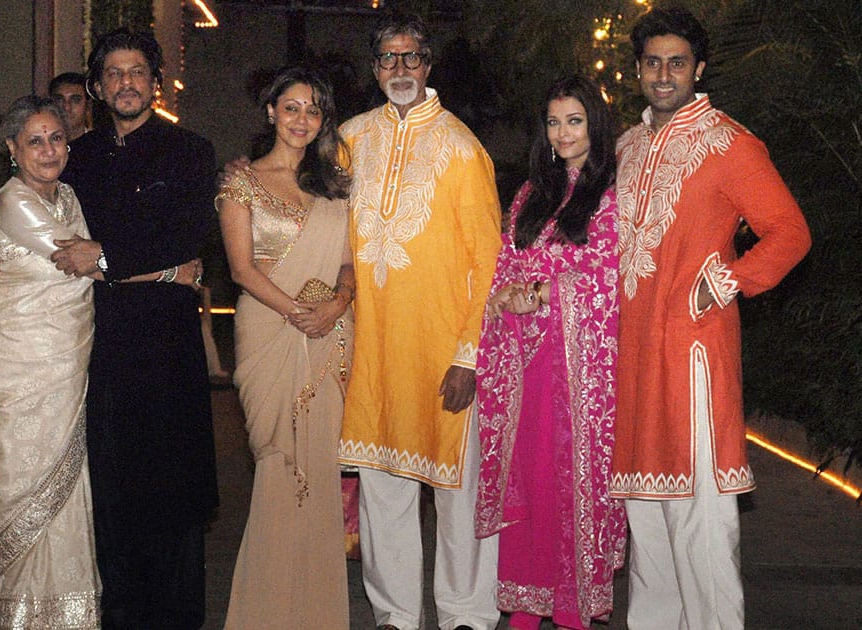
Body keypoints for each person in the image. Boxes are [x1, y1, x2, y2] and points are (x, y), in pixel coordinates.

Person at [0, 29, 220, 628]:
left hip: (163, 346)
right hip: (92, 349)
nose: (127, 83)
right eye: (114, 73)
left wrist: (107, 256)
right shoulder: (77, 156)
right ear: (98, 87)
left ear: (154, 81)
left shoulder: (189, 150)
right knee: (106, 491)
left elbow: (184, 235)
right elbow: (29, 218)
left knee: (172, 494)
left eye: (137, 71)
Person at [610, 7, 811, 629]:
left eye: (676, 63)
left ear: (698, 69)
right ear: (638, 70)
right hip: (633, 361)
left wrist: (728, 282)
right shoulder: (625, 144)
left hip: (693, 355)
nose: (663, 75)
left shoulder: (731, 143)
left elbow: (790, 232)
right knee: (648, 530)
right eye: (652, 63)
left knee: (701, 528)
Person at [336, 14, 502, 630]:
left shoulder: (462, 148)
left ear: (429, 65)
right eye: (387, 59)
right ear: (374, 67)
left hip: (444, 351)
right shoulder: (349, 140)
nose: (399, 70)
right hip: (374, 345)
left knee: (457, 491)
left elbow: (488, 260)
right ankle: (396, 614)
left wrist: (470, 355)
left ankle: (466, 614)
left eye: (411, 58)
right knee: (383, 488)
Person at [475, 75, 626, 630]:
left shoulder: (612, 191)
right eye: (554, 121)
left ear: (595, 125)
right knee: (531, 482)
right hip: (529, 365)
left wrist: (542, 291)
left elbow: (609, 277)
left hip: (583, 373)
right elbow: (506, 265)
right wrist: (507, 295)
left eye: (575, 120)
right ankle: (524, 606)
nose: (563, 133)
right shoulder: (529, 194)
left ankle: (570, 610)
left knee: (568, 489)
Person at [217, 66, 355, 630]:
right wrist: (299, 313)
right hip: (269, 334)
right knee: (277, 467)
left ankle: (317, 613)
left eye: (313, 110)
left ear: (323, 121)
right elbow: (242, 269)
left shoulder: (335, 187)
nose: (301, 119)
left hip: (328, 336)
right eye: (291, 107)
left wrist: (339, 303)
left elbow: (349, 261)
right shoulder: (240, 180)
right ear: (271, 111)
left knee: (319, 472)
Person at [49, 72, 91, 140]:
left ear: (88, 107)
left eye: (75, 100)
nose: (66, 107)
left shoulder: (99, 146)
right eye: (59, 100)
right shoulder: (40, 146)